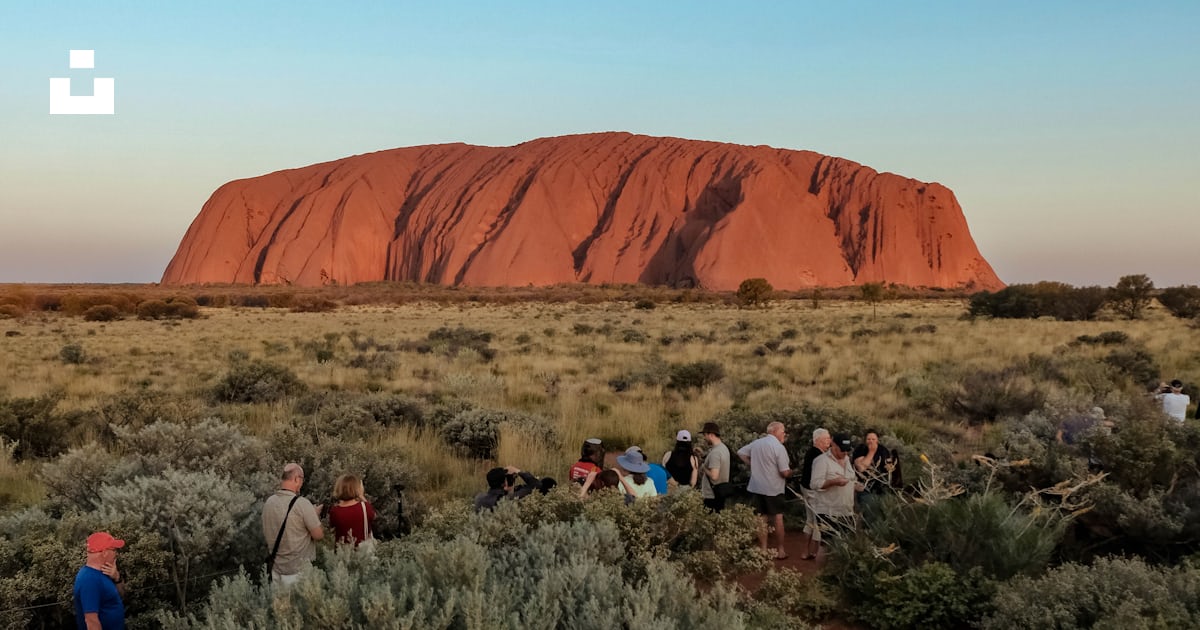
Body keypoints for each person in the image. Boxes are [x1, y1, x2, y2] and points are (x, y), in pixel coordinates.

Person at [262, 463, 324, 585]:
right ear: (296, 479)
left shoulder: (269, 502)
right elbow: (319, 535)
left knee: (280, 604)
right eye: (302, 479)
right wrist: (315, 515)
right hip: (298, 572)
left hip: (276, 569)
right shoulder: (302, 504)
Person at [738, 421, 792, 559]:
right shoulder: (778, 447)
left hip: (756, 486)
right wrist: (791, 472)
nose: (784, 434)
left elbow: (741, 452)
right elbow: (784, 472)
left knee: (761, 518)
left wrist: (752, 464)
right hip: (773, 488)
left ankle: (763, 549)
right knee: (778, 518)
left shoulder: (757, 443)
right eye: (782, 431)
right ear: (774, 431)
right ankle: (780, 550)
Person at [809, 433, 859, 548]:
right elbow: (814, 484)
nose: (845, 453)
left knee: (846, 546)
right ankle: (822, 566)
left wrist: (856, 485)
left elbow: (851, 478)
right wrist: (833, 482)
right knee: (827, 546)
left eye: (847, 450)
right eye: (842, 450)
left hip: (846, 511)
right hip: (829, 511)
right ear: (833, 445)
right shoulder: (821, 461)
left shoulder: (847, 459)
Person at [74, 532, 125, 630]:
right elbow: (91, 621)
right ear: (104, 553)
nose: (116, 554)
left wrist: (117, 578)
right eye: (114, 550)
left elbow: (121, 596)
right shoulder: (89, 580)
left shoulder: (104, 573)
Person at [799, 428, 831, 560]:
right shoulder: (819, 456)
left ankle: (806, 551)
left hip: (805, 488)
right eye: (826, 439)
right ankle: (815, 552)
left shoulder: (811, 452)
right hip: (813, 491)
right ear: (818, 440)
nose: (829, 441)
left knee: (810, 520)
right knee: (819, 521)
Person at [326, 473, 377, 546]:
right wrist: (361, 496)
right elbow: (373, 516)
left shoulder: (335, 511)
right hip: (362, 551)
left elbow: (333, 528)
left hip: (343, 551)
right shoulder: (364, 507)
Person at [851, 429, 898, 495]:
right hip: (864, 485)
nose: (871, 441)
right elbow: (861, 468)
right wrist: (871, 452)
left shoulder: (883, 450)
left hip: (880, 485)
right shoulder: (860, 449)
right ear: (865, 440)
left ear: (877, 440)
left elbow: (889, 467)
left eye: (873, 439)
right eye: (869, 439)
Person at [475, 465, 543, 511]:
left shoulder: (479, 497)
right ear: (504, 484)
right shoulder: (506, 499)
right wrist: (517, 471)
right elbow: (537, 485)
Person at [699, 422, 731, 512]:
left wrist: (703, 467)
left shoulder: (715, 453)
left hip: (711, 495)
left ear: (711, 435)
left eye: (705, 435)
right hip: (720, 492)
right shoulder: (723, 448)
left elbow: (714, 476)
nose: (704, 438)